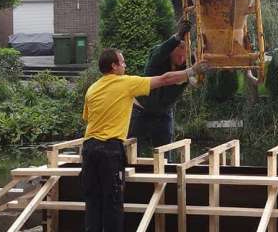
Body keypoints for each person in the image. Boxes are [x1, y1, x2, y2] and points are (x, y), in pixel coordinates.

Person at [81, 47, 207, 232]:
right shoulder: (125, 83)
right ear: (114, 66)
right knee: (113, 202)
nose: (125, 65)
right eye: (122, 62)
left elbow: (89, 118)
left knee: (92, 201)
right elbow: (164, 79)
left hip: (89, 149)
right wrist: (192, 71)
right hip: (109, 150)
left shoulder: (92, 89)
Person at [128, 19, 193, 149]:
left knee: (165, 150)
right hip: (141, 110)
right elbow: (162, 53)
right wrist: (177, 36)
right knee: (131, 149)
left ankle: (164, 168)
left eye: (184, 57)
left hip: (163, 113)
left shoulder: (190, 63)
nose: (182, 60)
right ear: (171, 51)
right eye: (178, 56)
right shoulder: (158, 56)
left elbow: (197, 78)